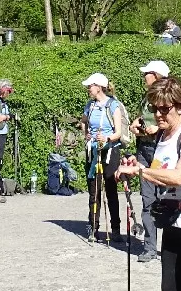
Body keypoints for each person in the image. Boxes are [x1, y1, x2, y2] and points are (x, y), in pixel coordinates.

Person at [117, 77, 181, 291]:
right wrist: (137, 164)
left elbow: (180, 176)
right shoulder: (164, 135)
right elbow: (163, 169)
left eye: (164, 109)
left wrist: (141, 171)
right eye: (154, 108)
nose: (157, 114)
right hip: (173, 221)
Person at [81, 72, 128, 243]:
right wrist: (86, 134)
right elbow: (84, 121)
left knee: (110, 189)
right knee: (94, 190)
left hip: (110, 151)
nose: (88, 88)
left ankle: (115, 229)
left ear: (99, 87)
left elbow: (118, 133)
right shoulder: (90, 105)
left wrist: (106, 138)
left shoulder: (113, 105)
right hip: (93, 150)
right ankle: (93, 227)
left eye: (90, 86)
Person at [130, 60, 170, 264]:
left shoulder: (168, 96)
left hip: (162, 151)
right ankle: (149, 247)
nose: (144, 76)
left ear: (156, 75)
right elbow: (141, 118)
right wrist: (135, 125)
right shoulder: (146, 97)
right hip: (144, 149)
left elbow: (177, 121)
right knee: (147, 200)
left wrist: (159, 129)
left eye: (146, 73)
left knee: (167, 199)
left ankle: (171, 247)